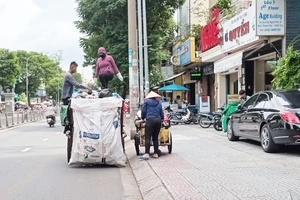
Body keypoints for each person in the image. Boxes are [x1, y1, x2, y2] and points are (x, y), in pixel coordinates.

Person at [140, 91, 164, 160]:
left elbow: (143, 111)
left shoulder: (146, 102)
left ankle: (147, 153)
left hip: (150, 120)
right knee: (155, 138)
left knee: (148, 137)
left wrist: (143, 117)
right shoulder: (159, 103)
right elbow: (161, 114)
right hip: (158, 120)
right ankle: (156, 153)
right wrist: (161, 118)